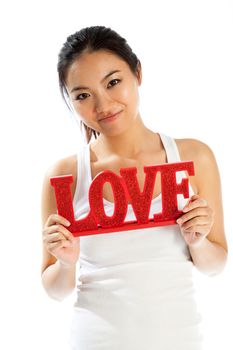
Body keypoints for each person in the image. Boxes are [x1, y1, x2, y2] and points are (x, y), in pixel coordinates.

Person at [41, 26, 228, 350]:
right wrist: (66, 262)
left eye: (113, 82)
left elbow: (216, 266)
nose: (103, 105)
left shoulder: (195, 156)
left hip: (180, 340)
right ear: (70, 102)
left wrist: (198, 241)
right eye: (83, 95)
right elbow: (55, 289)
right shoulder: (66, 174)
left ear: (137, 73)